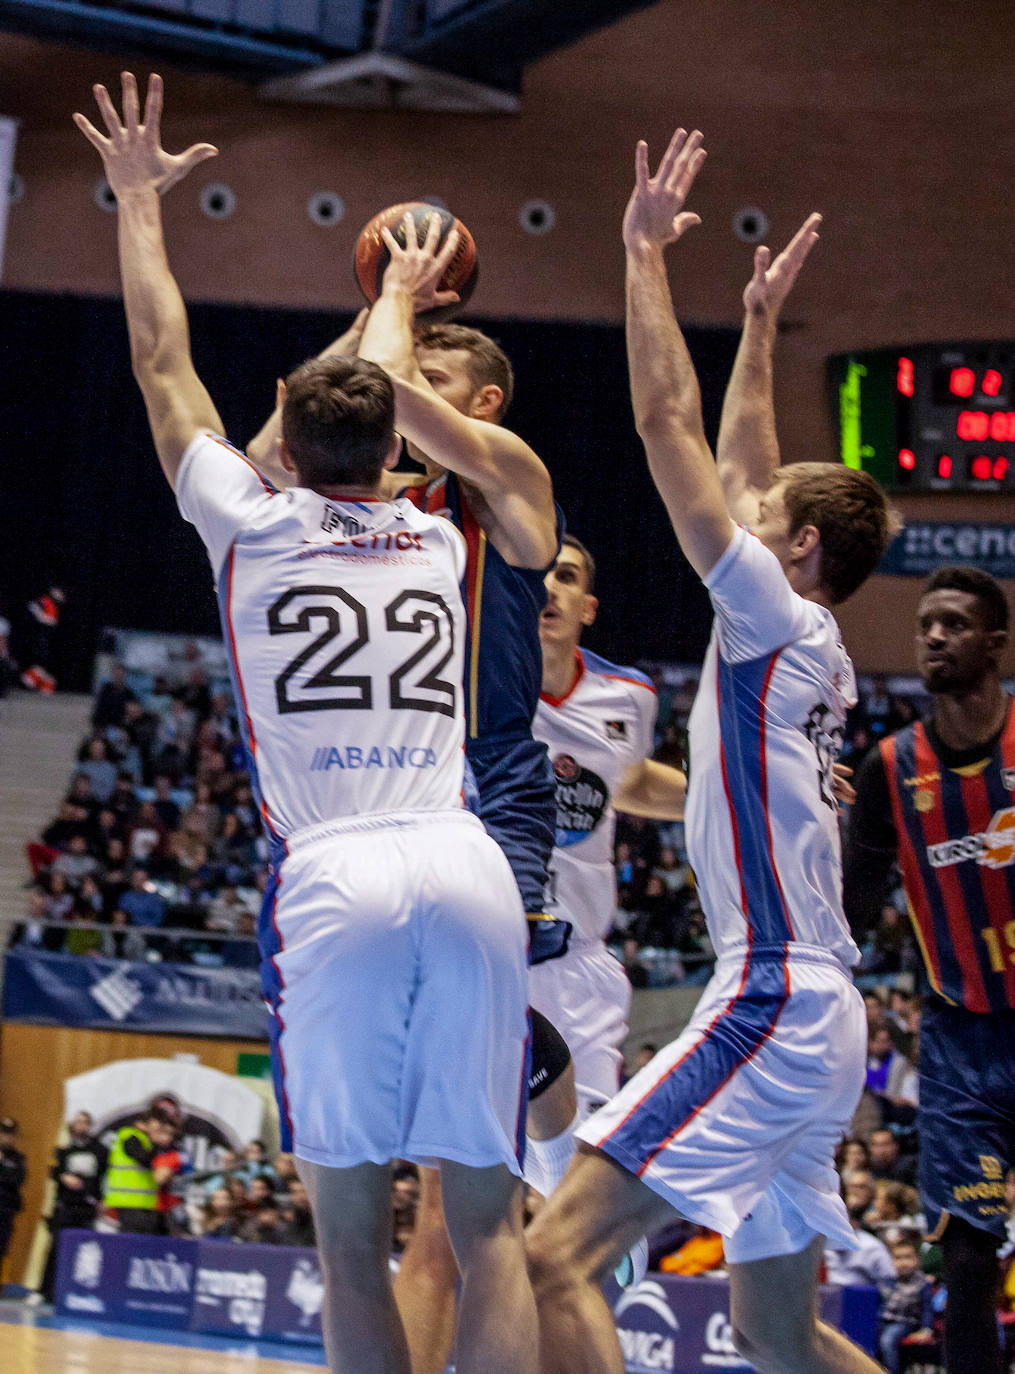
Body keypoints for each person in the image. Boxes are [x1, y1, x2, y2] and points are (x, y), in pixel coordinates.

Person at [76, 72, 536, 1374]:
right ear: (398, 447)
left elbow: (161, 360)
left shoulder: (248, 522)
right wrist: (400, 291)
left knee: (347, 1241)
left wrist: (138, 204)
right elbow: (363, 393)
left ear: (279, 425)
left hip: (336, 871)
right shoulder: (435, 534)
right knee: (484, 1229)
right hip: (464, 860)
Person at [525, 127, 894, 1374]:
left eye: (766, 517)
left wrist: (642, 255)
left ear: (796, 550)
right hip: (822, 1007)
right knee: (773, 1335)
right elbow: (746, 461)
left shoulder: (772, 618)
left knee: (553, 1258)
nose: (745, 509)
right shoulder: (811, 637)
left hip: (772, 996)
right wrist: (756, 324)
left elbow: (664, 421)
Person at [247, 210, 576, 1372]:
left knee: (464, 1202)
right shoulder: (362, 504)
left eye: (428, 378)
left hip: (481, 796)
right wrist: (373, 318)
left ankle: (559, 1113)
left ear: (477, 404)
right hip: (371, 810)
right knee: (429, 1208)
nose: (396, 386)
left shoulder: (504, 481)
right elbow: (279, 449)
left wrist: (391, 302)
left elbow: (375, 393)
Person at [844, 563, 1015, 1374]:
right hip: (957, 1047)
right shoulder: (889, 766)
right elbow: (851, 906)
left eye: (954, 624)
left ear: (995, 643)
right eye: (925, 626)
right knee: (967, 1262)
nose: (935, 637)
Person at [529, 533, 685, 1205]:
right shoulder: (471, 680)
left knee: (584, 1177)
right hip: (483, 950)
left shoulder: (628, 695)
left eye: (566, 576)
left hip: (577, 964)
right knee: (472, 1178)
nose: (549, 587)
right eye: (538, 572)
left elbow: (631, 783)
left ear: (588, 607)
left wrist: (746, 796)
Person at [102, 1105, 176, 1234]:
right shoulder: (129, 1136)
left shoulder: (145, 1140)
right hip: (128, 1201)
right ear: (146, 1123)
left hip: (144, 1202)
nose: (160, 1129)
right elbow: (143, 1159)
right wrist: (156, 1143)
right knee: (133, 1239)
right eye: (158, 1125)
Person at [878, 1237, 935, 1373]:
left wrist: (926, 1329)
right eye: (898, 1258)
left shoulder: (922, 1283)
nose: (903, 1262)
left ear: (916, 1260)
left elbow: (927, 1308)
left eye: (908, 1257)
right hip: (882, 1321)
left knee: (887, 1340)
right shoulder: (887, 1280)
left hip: (905, 1322)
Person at [0, 1117, 26, 1278]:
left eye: (10, 1134)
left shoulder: (18, 1158)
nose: (6, 1137)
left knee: (2, 1247)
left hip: (5, 1209)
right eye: (3, 1133)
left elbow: (17, 1179)